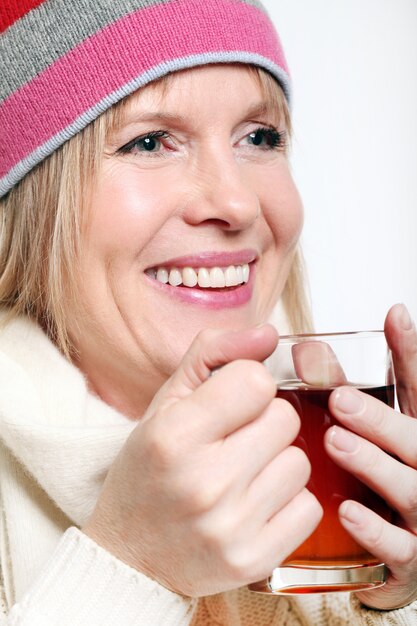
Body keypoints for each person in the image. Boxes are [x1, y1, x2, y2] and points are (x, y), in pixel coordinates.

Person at [0, 0, 417, 624]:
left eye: (259, 137)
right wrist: (133, 565)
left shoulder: (333, 438)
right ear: (32, 205)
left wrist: (386, 600)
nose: (237, 201)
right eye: (149, 142)